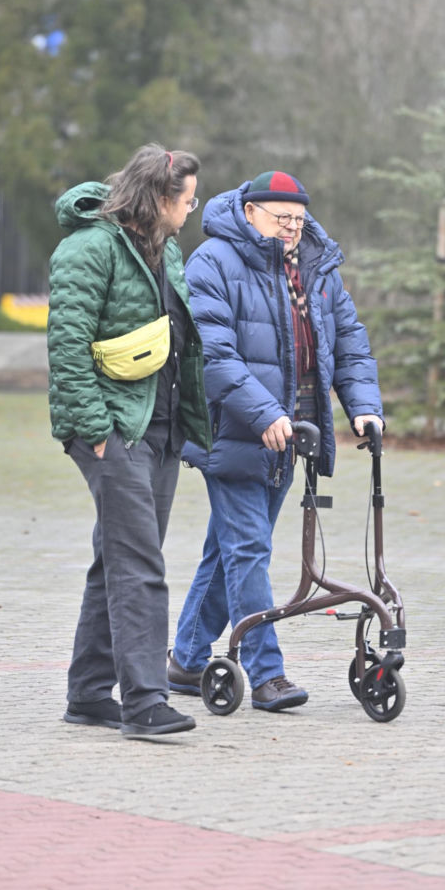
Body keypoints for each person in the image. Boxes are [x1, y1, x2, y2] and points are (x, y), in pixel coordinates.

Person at [168, 170, 384, 712]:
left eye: (297, 219)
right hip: (236, 430)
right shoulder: (213, 262)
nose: (290, 228)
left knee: (231, 550)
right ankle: (266, 673)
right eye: (279, 217)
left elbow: (350, 344)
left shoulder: (318, 267)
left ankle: (187, 659)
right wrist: (263, 411)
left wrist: (364, 407)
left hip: (295, 435)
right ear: (248, 213)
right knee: (248, 550)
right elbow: (212, 355)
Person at [47, 143, 211, 740]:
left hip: (161, 430)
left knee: (117, 557)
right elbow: (67, 347)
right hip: (112, 428)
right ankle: (145, 701)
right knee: (141, 561)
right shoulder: (88, 249)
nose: (192, 209)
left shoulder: (170, 251)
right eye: (187, 199)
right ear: (160, 196)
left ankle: (89, 695)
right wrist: (94, 431)